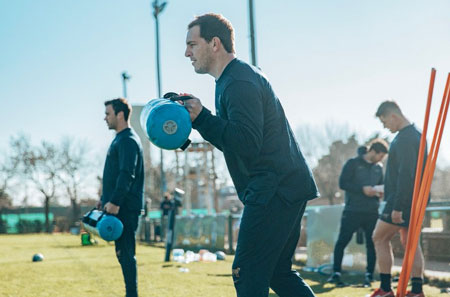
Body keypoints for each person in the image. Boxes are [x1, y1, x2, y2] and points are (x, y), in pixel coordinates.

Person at [183, 13, 319, 297]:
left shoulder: (238, 82)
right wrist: (198, 119)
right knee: (278, 274)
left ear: (215, 43)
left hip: (274, 189)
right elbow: (241, 142)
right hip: (283, 186)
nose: (187, 53)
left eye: (192, 44)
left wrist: (203, 118)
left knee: (246, 273)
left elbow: (246, 143)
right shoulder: (233, 79)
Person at [368, 101, 426, 297]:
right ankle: (416, 291)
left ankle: (385, 289)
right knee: (410, 242)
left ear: (393, 116)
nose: (385, 127)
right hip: (415, 199)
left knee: (379, 237)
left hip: (402, 201)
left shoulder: (404, 139)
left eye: (385, 122)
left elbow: (406, 175)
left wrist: (398, 206)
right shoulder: (418, 135)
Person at [327, 139, 388, 287]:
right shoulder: (352, 163)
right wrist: (362, 189)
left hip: (372, 211)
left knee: (372, 243)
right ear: (373, 151)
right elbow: (343, 183)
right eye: (381, 156)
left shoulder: (378, 168)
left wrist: (379, 193)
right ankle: (336, 273)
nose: (381, 160)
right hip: (352, 210)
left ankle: (369, 275)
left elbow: (381, 185)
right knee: (342, 241)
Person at [100, 98, 144, 297]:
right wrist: (105, 199)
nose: (105, 118)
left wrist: (115, 202)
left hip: (125, 207)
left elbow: (127, 173)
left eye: (108, 114)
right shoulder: (119, 139)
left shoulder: (128, 140)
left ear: (120, 115)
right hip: (117, 206)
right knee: (122, 253)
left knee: (126, 252)